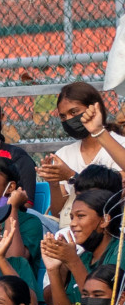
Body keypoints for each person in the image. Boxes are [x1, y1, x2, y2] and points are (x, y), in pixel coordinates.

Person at [39, 82, 125, 221]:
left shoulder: (119, 146)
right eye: (63, 116)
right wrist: (53, 183)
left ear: (94, 108)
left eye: (74, 112)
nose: (68, 120)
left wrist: (71, 177)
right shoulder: (63, 154)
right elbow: (58, 213)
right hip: (70, 229)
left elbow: (110, 195)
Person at [43, 189, 120, 305]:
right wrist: (53, 270)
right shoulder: (83, 258)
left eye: (81, 216)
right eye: (72, 217)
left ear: (104, 220)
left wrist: (72, 261)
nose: (72, 224)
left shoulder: (120, 251)